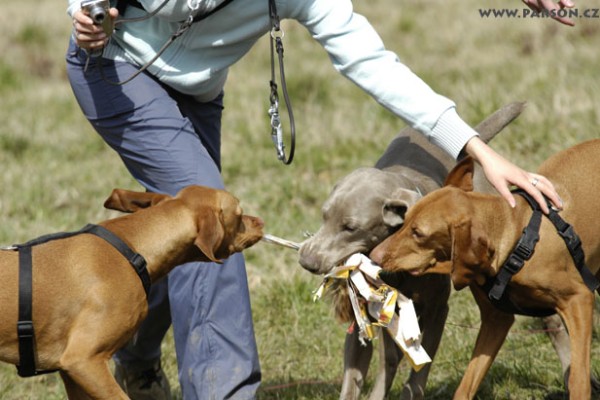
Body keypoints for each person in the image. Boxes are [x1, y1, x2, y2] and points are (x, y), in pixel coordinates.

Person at [65, 0, 563, 399]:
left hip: (196, 93)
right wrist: (84, 11)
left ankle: (137, 362)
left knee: (180, 239)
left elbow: (373, 63)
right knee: (212, 230)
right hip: (116, 72)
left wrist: (474, 148)